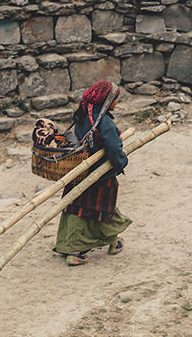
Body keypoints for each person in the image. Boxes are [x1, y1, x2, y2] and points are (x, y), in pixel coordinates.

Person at [52, 80, 131, 266]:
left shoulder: (82, 116)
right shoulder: (105, 123)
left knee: (77, 209)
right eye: (115, 99)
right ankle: (79, 250)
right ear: (107, 100)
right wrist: (122, 163)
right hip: (100, 176)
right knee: (103, 209)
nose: (117, 103)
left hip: (79, 173)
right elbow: (114, 149)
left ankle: (72, 245)